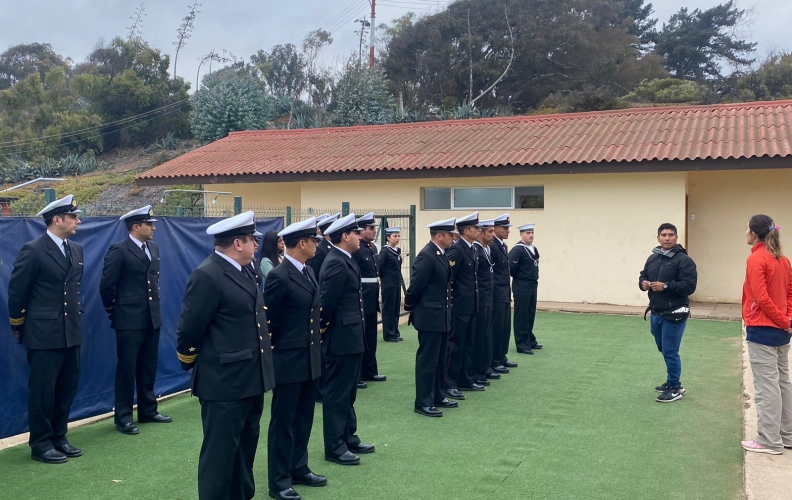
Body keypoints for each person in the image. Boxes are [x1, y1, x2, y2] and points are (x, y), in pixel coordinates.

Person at [176, 211, 275, 500]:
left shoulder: (247, 270)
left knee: (245, 452)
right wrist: (189, 360)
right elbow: (189, 329)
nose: (256, 245)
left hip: (251, 379)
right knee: (219, 459)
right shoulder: (208, 274)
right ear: (237, 243)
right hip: (224, 383)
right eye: (251, 240)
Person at [7, 194, 84, 464]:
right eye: (73, 217)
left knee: (67, 386)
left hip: (70, 330)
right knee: (43, 390)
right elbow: (17, 292)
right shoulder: (34, 249)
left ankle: (59, 436)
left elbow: (73, 289)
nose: (78, 221)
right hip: (43, 332)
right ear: (57, 219)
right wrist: (18, 324)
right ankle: (40, 442)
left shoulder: (75, 249)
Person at [263, 218, 327, 500]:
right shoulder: (279, 275)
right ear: (302, 243)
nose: (317, 244)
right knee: (283, 422)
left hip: (309, 358)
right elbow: (268, 322)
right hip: (288, 360)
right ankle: (279, 480)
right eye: (314, 240)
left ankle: (299, 467)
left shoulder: (308, 272)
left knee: (304, 417)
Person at [99, 205, 171, 436]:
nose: (153, 228)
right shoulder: (119, 249)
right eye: (148, 224)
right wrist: (115, 309)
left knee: (148, 365)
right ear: (135, 226)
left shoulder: (154, 248)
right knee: (127, 368)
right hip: (128, 318)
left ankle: (148, 409)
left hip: (151, 316)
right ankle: (123, 417)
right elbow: (106, 285)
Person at [319, 213, 375, 466]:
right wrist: (325, 331)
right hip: (340, 338)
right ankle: (334, 446)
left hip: (352, 337)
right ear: (345, 236)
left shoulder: (346, 259)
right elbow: (326, 304)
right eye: (356, 233)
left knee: (349, 391)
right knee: (336, 393)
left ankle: (348, 436)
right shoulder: (335, 262)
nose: (359, 237)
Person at [740, 215, 792, 455]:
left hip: (763, 330)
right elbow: (789, 295)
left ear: (754, 233)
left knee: (766, 387)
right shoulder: (783, 260)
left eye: (747, 228)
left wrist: (783, 320)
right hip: (781, 331)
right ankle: (786, 434)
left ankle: (770, 440)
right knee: (782, 382)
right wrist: (787, 320)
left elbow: (761, 298)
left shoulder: (757, 259)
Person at [638, 222, 697, 403]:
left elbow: (689, 286)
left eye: (671, 235)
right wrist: (644, 283)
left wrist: (665, 286)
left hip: (675, 313)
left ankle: (674, 387)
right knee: (663, 348)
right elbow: (643, 275)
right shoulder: (653, 258)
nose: (667, 238)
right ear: (658, 238)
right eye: (663, 235)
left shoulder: (684, 260)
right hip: (656, 312)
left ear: (676, 238)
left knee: (670, 351)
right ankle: (674, 382)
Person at [405, 218, 457, 417]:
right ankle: (423, 402)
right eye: (450, 234)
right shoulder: (427, 255)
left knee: (440, 358)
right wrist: (410, 306)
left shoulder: (441, 254)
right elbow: (416, 286)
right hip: (429, 316)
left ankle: (437, 395)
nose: (453, 238)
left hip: (441, 315)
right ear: (439, 236)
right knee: (427, 360)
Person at [445, 212, 483, 400]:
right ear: (466, 230)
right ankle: (450, 383)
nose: (479, 230)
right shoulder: (457, 249)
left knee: (469, 343)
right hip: (459, 305)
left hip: (471, 304)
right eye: (476, 228)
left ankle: (465, 379)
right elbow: (448, 277)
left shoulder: (472, 248)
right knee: (455, 346)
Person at [308, 213, 338, 404]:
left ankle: (322, 387)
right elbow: (319, 278)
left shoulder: (327, 249)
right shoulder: (321, 251)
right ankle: (319, 389)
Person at [354, 212, 386, 385]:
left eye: (374, 228)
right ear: (361, 231)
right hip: (362, 296)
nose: (374, 231)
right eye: (370, 228)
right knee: (361, 335)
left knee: (371, 335)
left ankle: (370, 370)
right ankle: (358, 374)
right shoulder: (357, 249)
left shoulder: (372, 248)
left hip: (372, 295)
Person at [510, 223, 544, 355]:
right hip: (522, 285)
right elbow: (511, 268)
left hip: (532, 284)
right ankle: (522, 344)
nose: (531, 235)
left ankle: (530, 339)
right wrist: (522, 277)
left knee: (530, 313)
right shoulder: (517, 250)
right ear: (521, 234)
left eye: (532, 232)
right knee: (521, 315)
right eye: (527, 233)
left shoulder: (533, 248)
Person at [490, 214, 517, 373]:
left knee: (505, 328)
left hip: (504, 294)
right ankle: (494, 359)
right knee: (497, 328)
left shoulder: (503, 245)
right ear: (496, 229)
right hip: (496, 294)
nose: (508, 231)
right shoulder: (493, 246)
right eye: (505, 228)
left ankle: (502, 356)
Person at [472, 219, 498, 387]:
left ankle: (485, 367)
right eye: (490, 232)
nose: (493, 235)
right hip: (479, 299)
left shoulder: (486, 249)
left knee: (487, 335)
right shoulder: (476, 250)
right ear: (480, 233)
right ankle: (477, 371)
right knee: (479, 336)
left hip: (488, 298)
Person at [379, 227, 403, 343]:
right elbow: (380, 268)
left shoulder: (397, 250)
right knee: (388, 309)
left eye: (398, 236)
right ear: (388, 238)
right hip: (388, 284)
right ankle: (388, 334)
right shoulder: (385, 252)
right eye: (394, 236)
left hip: (396, 283)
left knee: (395, 308)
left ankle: (395, 331)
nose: (397, 238)